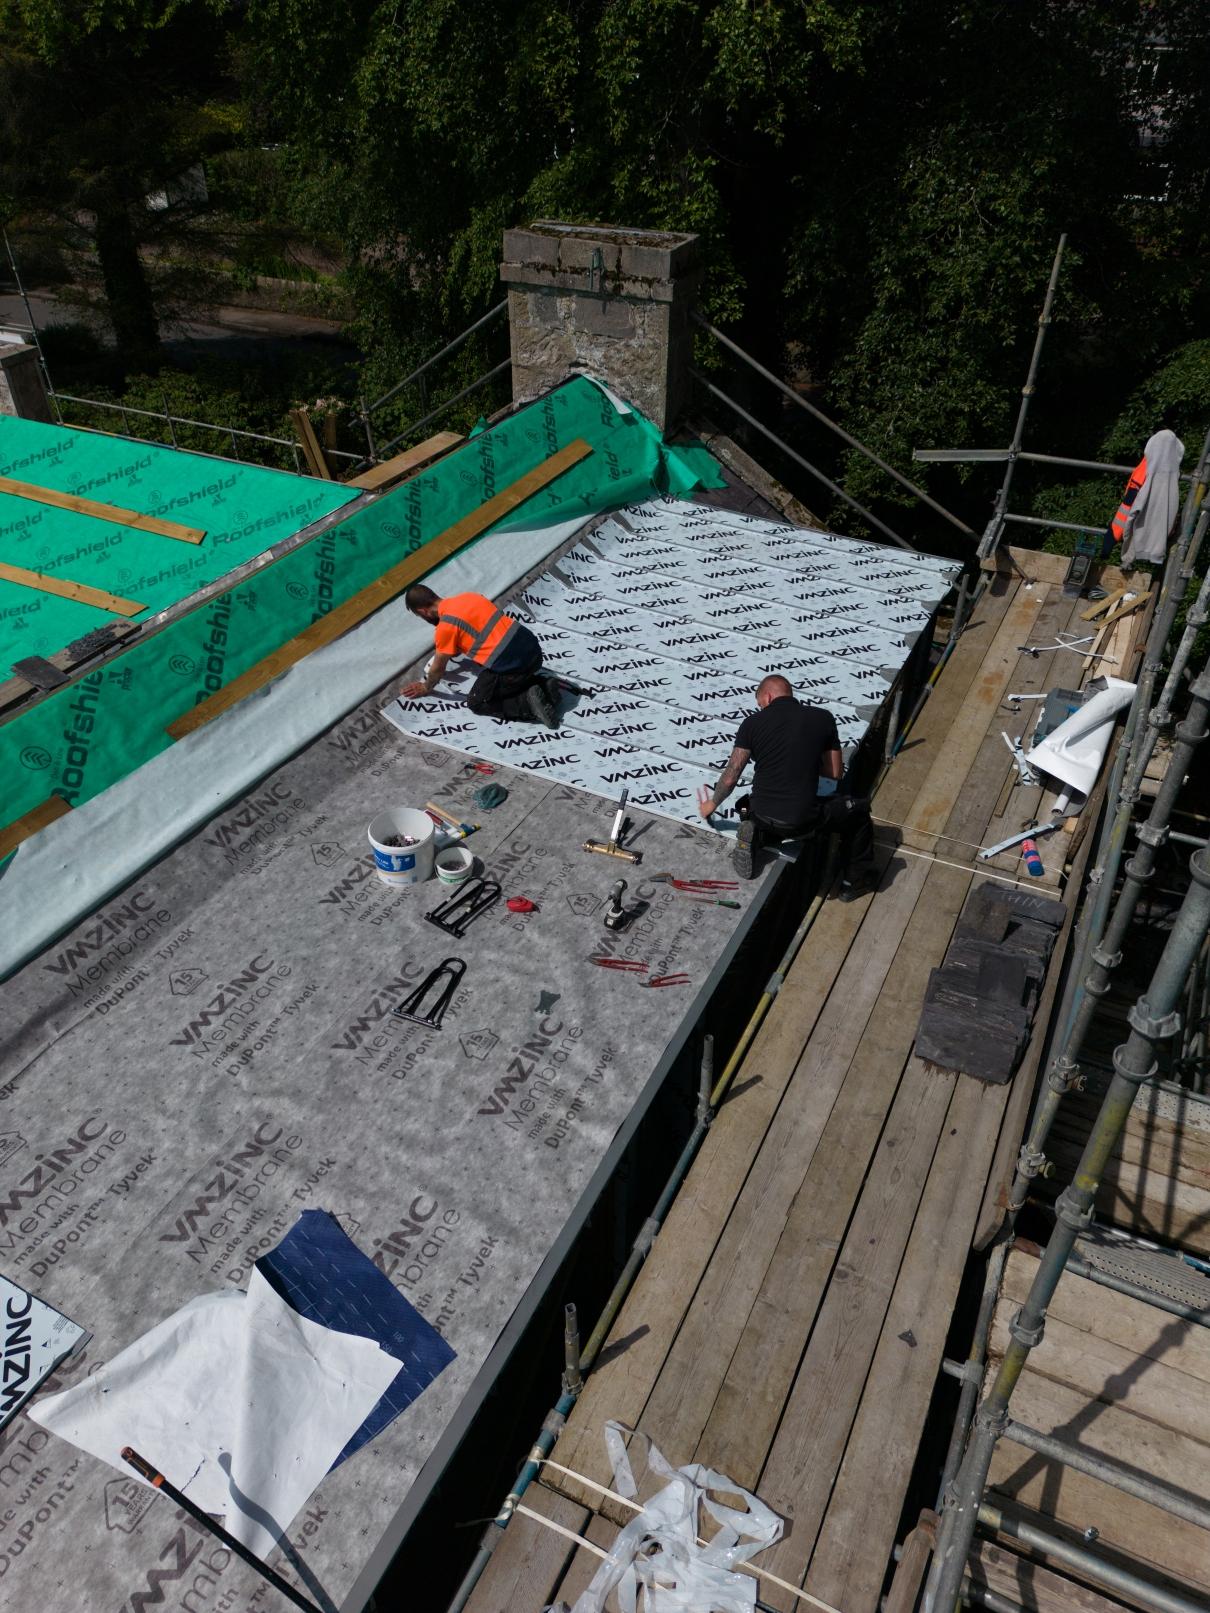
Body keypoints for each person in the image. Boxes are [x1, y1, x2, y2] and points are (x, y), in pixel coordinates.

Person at [698, 674, 877, 890]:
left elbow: (731, 774)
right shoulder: (823, 718)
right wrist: (806, 758)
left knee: (746, 803)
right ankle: (854, 882)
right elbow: (835, 772)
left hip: (761, 814)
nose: (761, 708)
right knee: (858, 812)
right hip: (802, 822)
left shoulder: (751, 723)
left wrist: (712, 804)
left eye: (760, 703)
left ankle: (759, 833)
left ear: (768, 696)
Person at [401, 585, 559, 728]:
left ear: (423, 612)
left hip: (515, 668)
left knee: (477, 702)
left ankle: (530, 705)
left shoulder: (445, 628)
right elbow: (484, 627)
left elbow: (438, 668)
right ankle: (544, 686)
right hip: (534, 650)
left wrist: (425, 686)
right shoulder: (470, 596)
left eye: (420, 616)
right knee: (509, 673)